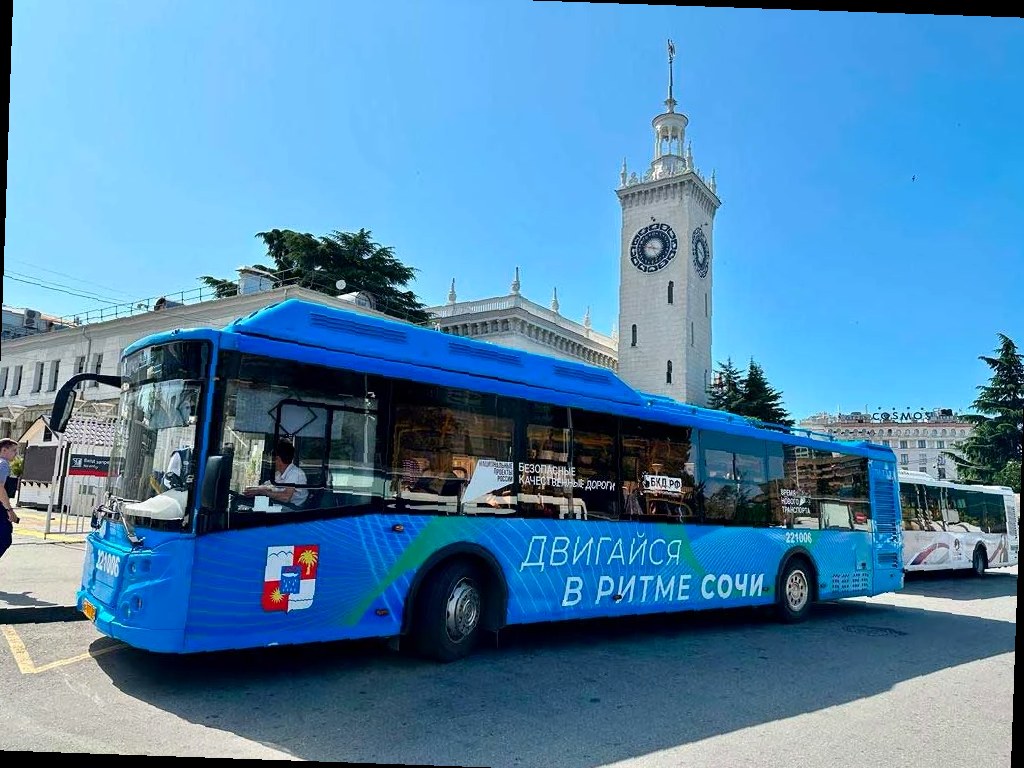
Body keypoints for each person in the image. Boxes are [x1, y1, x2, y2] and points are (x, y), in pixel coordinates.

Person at [244, 438, 308, 509]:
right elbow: (268, 486)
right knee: (248, 507)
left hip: (293, 510)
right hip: (280, 505)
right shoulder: (279, 474)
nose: (271, 462)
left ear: (278, 459)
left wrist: (263, 492)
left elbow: (286, 497)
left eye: (272, 459)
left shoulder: (295, 473)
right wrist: (254, 489)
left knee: (256, 513)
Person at [0, 438, 21, 561]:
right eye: (13, 450)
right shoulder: (3, 464)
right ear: (4, 450)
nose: (16, 454)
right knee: (5, 537)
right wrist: (9, 510)